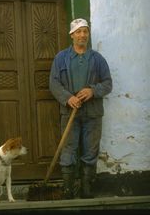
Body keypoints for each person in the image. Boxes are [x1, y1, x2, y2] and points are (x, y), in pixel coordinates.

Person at [49, 18, 112, 199]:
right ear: (72, 35)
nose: (82, 35)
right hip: (69, 111)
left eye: (85, 31)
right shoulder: (61, 58)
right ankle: (68, 191)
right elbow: (54, 83)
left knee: (91, 150)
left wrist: (93, 90)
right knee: (68, 149)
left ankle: (86, 191)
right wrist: (68, 98)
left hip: (92, 112)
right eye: (78, 32)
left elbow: (108, 84)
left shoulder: (97, 59)